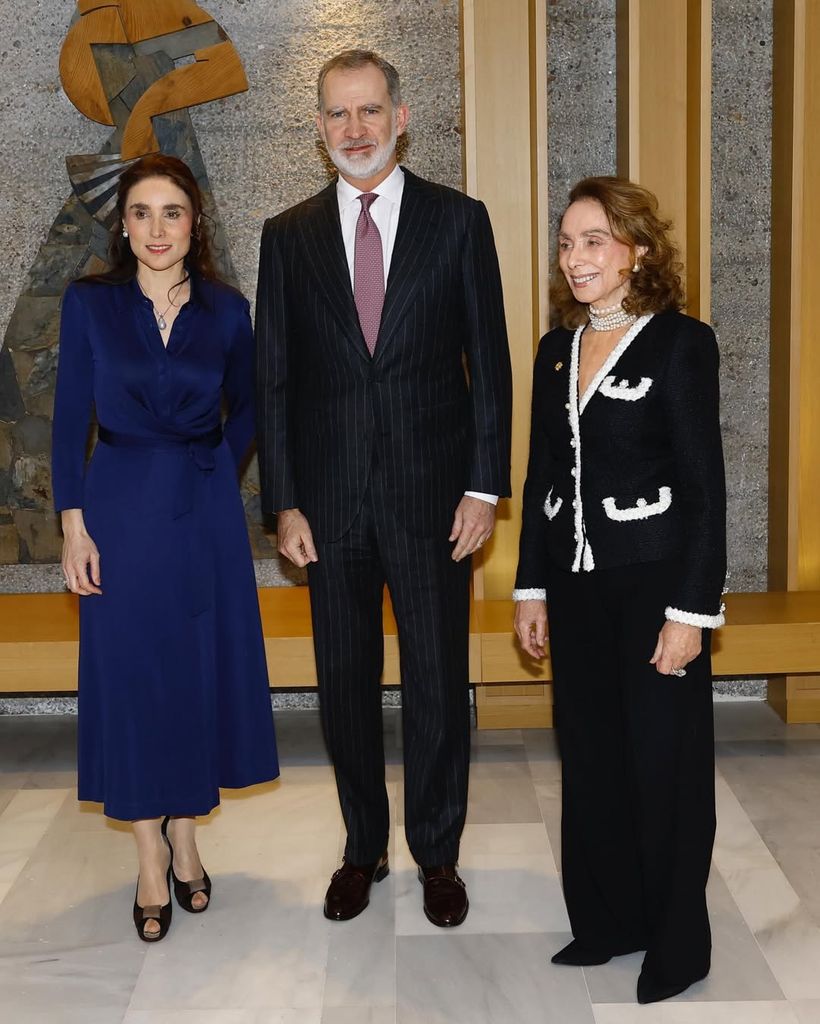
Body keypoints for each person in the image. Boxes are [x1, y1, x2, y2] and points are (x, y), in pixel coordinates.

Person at [255, 49, 512, 927]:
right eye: (337, 115)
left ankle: (437, 853)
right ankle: (361, 847)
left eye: (369, 112)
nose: (354, 130)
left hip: (436, 497)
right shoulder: (285, 237)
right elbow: (274, 381)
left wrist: (485, 485)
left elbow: (494, 367)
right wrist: (283, 500)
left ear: (402, 117)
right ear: (319, 128)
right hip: (326, 509)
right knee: (343, 682)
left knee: (439, 681)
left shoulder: (459, 221)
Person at [52, 154, 279, 942]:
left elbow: (253, 403)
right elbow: (66, 416)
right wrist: (73, 522)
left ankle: (187, 831)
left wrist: (218, 453)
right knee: (132, 675)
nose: (156, 228)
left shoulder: (226, 309)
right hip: (116, 504)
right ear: (123, 224)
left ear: (194, 222)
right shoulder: (89, 304)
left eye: (172, 212)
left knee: (194, 668)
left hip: (203, 505)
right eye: (141, 212)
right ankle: (151, 851)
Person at [513, 176, 726, 1004]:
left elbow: (705, 489)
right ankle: (607, 922)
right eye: (567, 243)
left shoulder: (681, 342)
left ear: (637, 251)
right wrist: (530, 586)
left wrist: (691, 613)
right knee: (593, 757)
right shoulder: (553, 350)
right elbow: (540, 480)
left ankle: (677, 947)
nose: (576, 257)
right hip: (575, 588)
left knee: (666, 767)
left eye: (594, 239)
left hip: (656, 589)